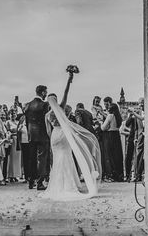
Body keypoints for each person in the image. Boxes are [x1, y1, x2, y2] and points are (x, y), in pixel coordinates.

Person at [39, 68, 101, 201]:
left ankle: (58, 184)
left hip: (55, 135)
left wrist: (52, 141)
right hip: (63, 134)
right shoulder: (61, 108)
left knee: (57, 159)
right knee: (67, 156)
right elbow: (66, 92)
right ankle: (70, 183)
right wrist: (69, 80)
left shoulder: (47, 115)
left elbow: (48, 130)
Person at [23, 84, 51, 190]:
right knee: (42, 158)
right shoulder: (45, 105)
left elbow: (26, 122)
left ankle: (31, 182)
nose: (46, 94)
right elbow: (46, 121)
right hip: (42, 134)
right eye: (46, 92)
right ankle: (40, 182)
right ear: (43, 92)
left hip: (31, 134)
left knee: (32, 158)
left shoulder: (27, 105)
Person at [100, 97, 125, 182]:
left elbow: (103, 128)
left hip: (110, 136)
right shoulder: (119, 117)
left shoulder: (110, 116)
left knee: (110, 156)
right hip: (116, 136)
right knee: (117, 156)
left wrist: (100, 123)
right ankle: (119, 175)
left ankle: (111, 175)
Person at [5, 110, 22, 181]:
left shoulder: (18, 122)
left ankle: (16, 175)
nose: (13, 115)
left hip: (17, 140)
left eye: (14, 114)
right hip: (11, 140)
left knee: (17, 158)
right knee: (11, 158)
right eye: (11, 114)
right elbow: (7, 131)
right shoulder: (8, 122)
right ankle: (10, 175)